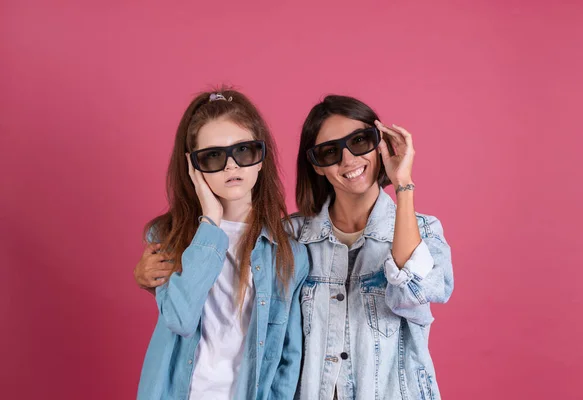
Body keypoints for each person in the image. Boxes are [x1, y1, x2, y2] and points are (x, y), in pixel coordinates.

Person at [135, 89, 308, 400]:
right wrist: (210, 223)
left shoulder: (290, 252)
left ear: (261, 158)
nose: (232, 166)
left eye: (244, 151)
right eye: (213, 156)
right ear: (193, 166)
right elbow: (180, 320)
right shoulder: (167, 237)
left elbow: (288, 357)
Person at [291, 95, 454, 399]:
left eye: (360, 140)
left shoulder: (425, 230)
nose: (348, 159)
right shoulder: (293, 236)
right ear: (315, 166)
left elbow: (413, 292)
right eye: (329, 152)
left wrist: (403, 184)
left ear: (380, 144)